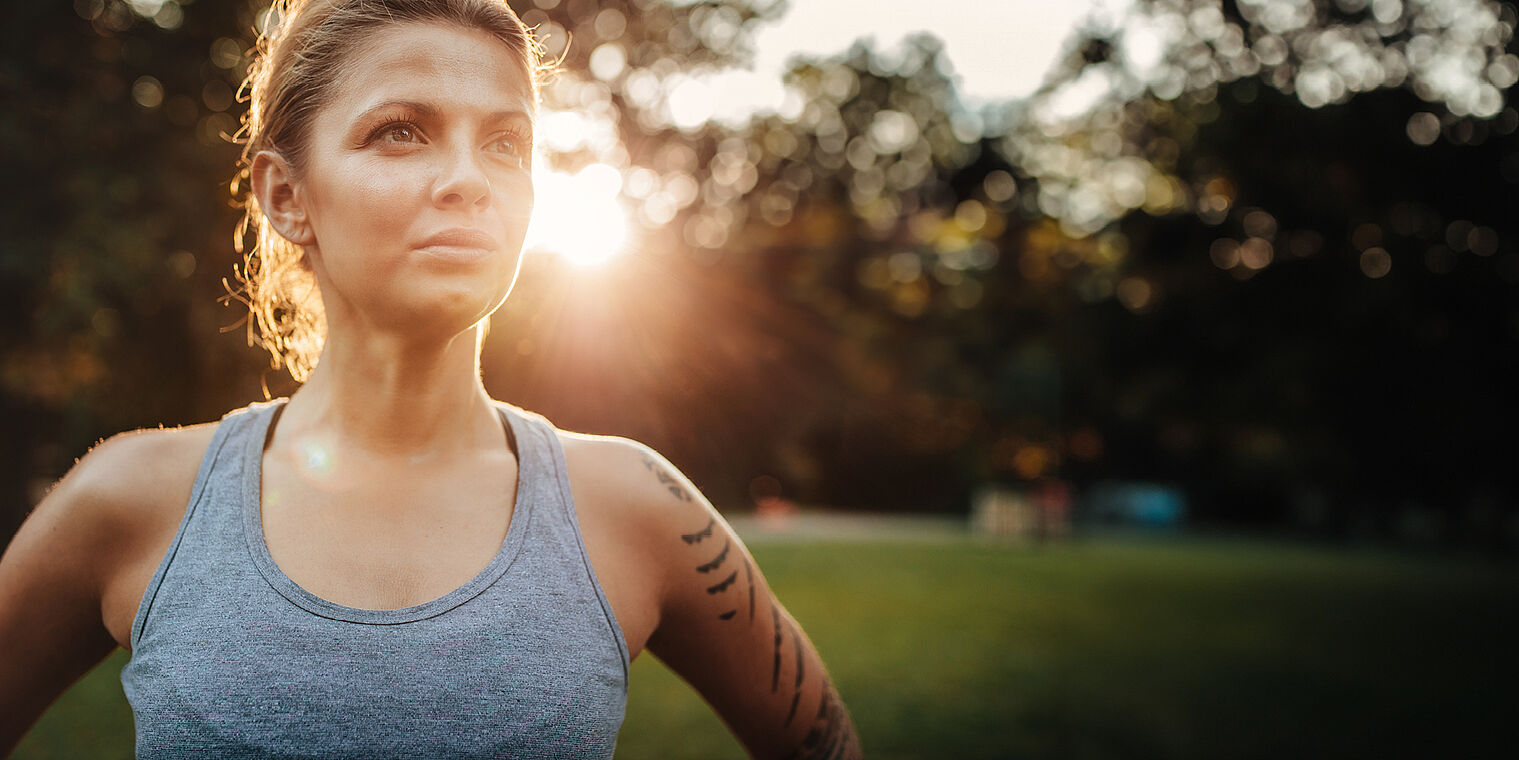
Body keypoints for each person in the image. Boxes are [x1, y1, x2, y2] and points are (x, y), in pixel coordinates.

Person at [0, 1, 862, 757]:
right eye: (400, 131)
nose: (467, 181)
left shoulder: (633, 506)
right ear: (285, 196)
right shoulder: (131, 502)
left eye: (505, 143)